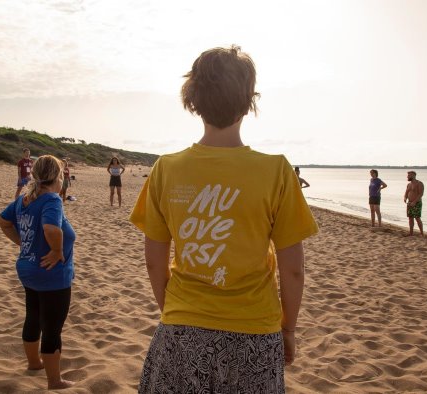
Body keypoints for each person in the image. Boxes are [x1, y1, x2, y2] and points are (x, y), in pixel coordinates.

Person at [130, 45, 318, 392]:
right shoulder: (276, 171)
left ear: (193, 100)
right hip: (255, 331)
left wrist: (176, 312)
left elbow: (155, 263)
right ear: (249, 102)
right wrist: (288, 329)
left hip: (180, 327)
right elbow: (294, 269)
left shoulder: (166, 169)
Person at [0, 155, 75, 390]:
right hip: (50, 273)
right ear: (58, 177)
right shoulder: (52, 199)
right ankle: (55, 380)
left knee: (33, 316)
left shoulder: (26, 199)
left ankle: (34, 363)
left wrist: (22, 243)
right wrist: (56, 250)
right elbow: (51, 227)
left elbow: (3, 221)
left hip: (28, 268)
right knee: (52, 327)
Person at [403, 171, 424, 236]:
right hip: (409, 203)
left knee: (417, 218)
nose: (407, 176)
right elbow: (406, 192)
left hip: (417, 203)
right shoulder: (409, 184)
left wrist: (414, 202)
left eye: (409, 175)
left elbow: (421, 194)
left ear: (413, 175)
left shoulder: (419, 183)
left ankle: (421, 233)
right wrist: (405, 198)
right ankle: (411, 233)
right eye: (407, 175)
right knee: (410, 218)